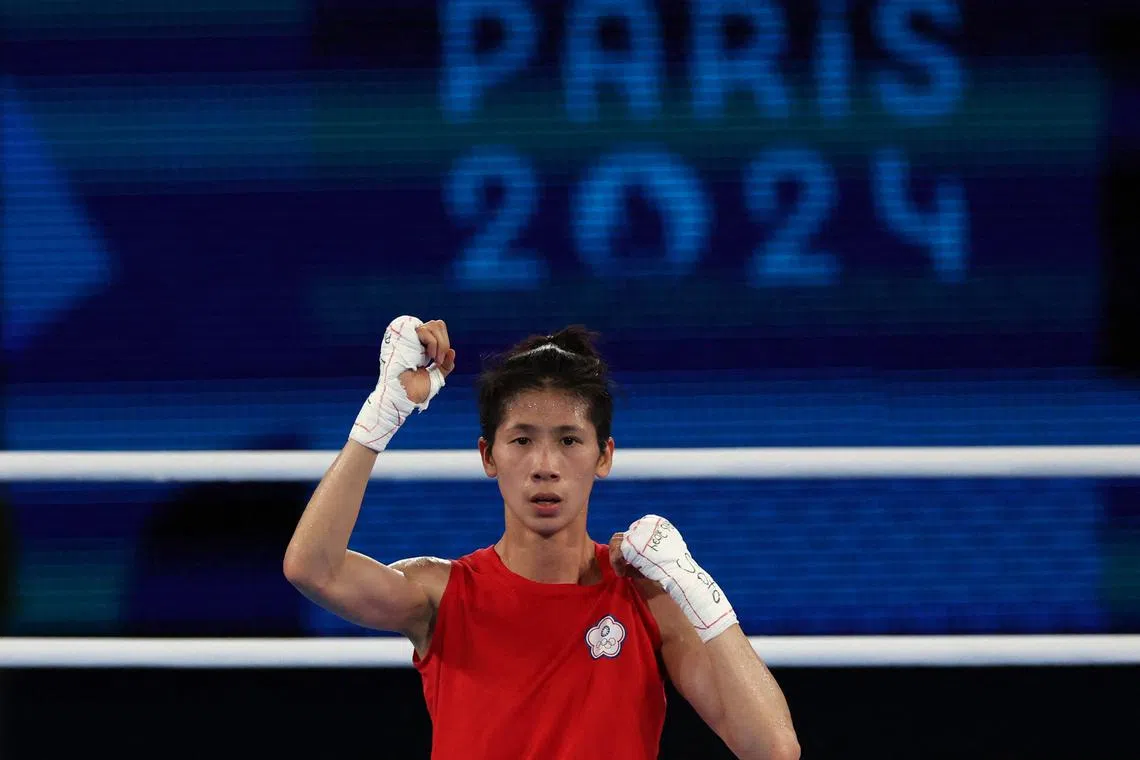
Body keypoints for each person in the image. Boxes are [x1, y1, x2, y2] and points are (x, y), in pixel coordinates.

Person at [284, 316, 799, 760]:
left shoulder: (647, 598)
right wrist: (383, 412)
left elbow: (773, 749)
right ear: (489, 456)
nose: (545, 467)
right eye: (522, 440)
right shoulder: (441, 594)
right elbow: (312, 568)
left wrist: (694, 584)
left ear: (604, 456)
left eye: (569, 440)